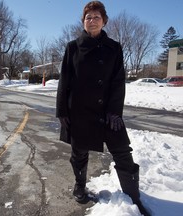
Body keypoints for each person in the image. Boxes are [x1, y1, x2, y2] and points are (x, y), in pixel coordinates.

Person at [56, 1, 151, 215]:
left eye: (96, 17)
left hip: (108, 112)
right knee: (79, 152)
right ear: (83, 21)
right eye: (88, 17)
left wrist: (115, 112)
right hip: (80, 110)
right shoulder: (73, 47)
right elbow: (65, 80)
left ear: (104, 21)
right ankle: (80, 187)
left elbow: (118, 81)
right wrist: (62, 111)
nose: (92, 20)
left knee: (123, 152)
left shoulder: (114, 47)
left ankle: (133, 198)